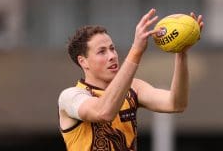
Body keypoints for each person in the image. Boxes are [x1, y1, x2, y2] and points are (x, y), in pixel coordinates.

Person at [58, 8, 204, 151]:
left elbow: (176, 103)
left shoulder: (133, 87)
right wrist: (136, 50)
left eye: (112, 48)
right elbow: (103, 112)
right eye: (102, 51)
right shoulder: (70, 97)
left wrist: (181, 52)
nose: (112, 56)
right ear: (83, 61)